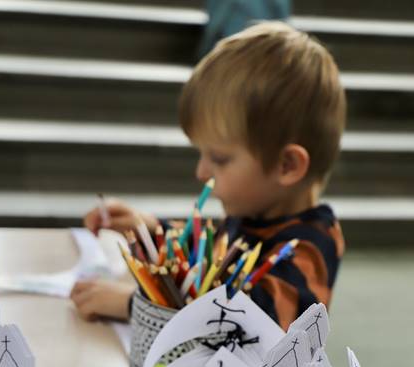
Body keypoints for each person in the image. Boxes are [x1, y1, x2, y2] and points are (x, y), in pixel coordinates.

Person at [71, 21, 346, 332]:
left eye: (219, 159)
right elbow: (207, 261)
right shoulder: (253, 216)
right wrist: (151, 232)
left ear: (287, 165)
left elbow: (241, 325)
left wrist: (133, 305)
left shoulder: (310, 249)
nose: (201, 172)